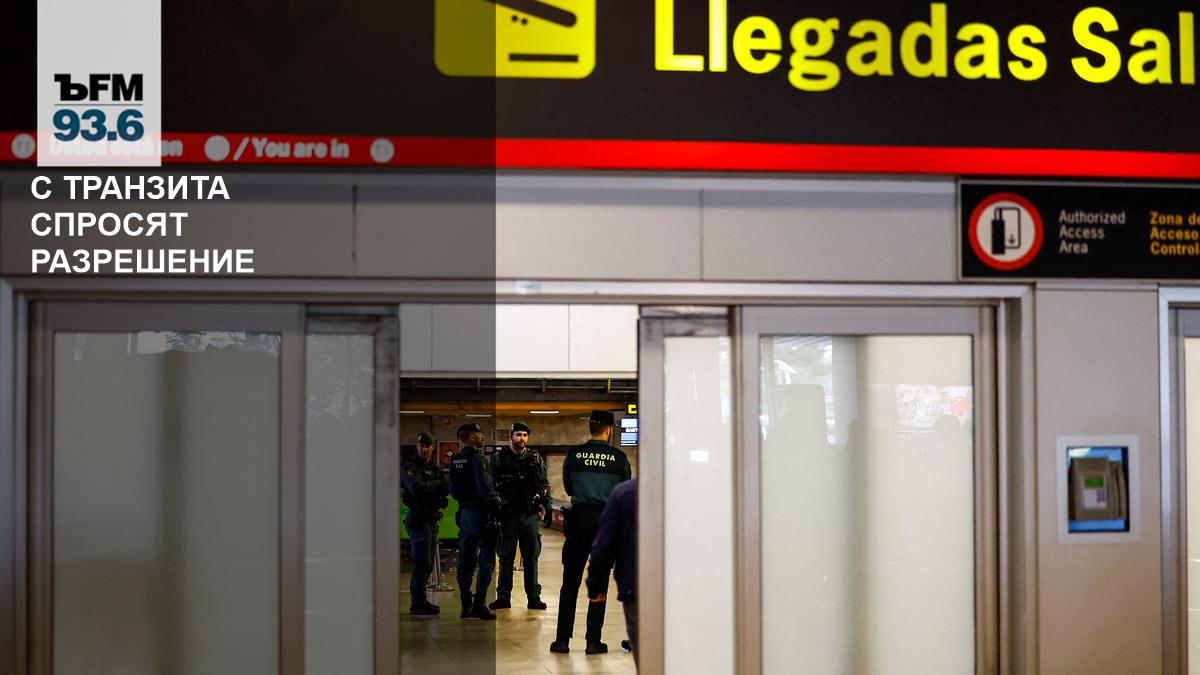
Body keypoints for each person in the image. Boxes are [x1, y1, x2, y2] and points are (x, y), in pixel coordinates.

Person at [550, 410, 632, 655]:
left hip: (578, 521)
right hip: (605, 523)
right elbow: (623, 493)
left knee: (570, 583)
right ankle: (593, 642)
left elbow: (568, 488)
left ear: (590, 427)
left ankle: (562, 640)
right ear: (608, 429)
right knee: (599, 582)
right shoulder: (619, 459)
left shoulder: (573, 455)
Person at [489, 421, 551, 611]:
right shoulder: (498, 458)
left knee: (531, 558)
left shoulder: (535, 458)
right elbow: (491, 484)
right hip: (508, 515)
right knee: (506, 557)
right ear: (511, 437)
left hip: (529, 515)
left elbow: (544, 484)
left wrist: (547, 507)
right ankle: (503, 597)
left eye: (524, 435)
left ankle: (534, 597)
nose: (522, 438)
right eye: (518, 434)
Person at [447, 422, 502, 620]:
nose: (482, 437)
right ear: (471, 437)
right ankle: (479, 604)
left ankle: (465, 604)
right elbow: (485, 487)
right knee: (486, 559)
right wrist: (497, 504)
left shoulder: (455, 460)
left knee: (465, 559)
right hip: (481, 515)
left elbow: (453, 490)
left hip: (464, 515)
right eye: (479, 434)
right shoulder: (479, 459)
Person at [587, 479, 638, 664]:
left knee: (647, 658)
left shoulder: (624, 494)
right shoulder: (687, 493)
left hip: (635, 587)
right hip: (681, 589)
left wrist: (595, 586)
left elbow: (603, 546)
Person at [402, 431, 450, 616]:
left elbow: (445, 489)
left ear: (432, 447)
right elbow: (417, 488)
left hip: (430, 519)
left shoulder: (434, 468)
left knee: (428, 563)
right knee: (422, 563)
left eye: (428, 446)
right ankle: (418, 602)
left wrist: (435, 487)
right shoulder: (410, 467)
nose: (424, 449)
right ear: (417, 446)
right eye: (421, 445)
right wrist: (436, 484)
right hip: (418, 519)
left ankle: (421, 601)